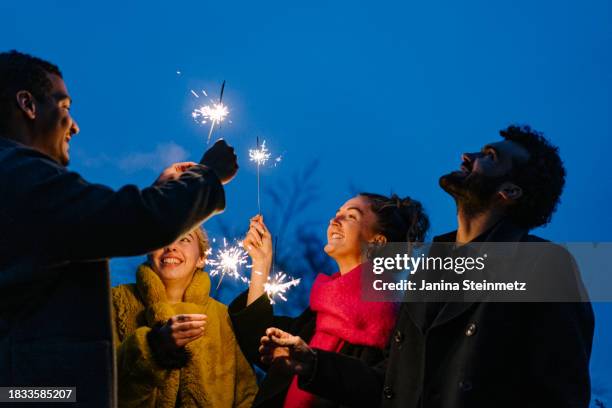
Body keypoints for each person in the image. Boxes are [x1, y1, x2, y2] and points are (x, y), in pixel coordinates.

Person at [260, 125, 595, 408]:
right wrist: (313, 363)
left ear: (509, 191)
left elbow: (560, 395)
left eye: (489, 157)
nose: (468, 156)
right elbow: (391, 385)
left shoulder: (543, 266)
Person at [0, 50, 238, 407]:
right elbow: (129, 222)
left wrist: (160, 194)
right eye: (64, 107)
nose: (75, 125)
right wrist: (206, 178)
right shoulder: (18, 177)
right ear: (28, 105)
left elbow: (103, 222)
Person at [229, 193, 429, 407]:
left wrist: (315, 365)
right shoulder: (319, 314)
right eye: (337, 213)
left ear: (377, 241)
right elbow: (256, 338)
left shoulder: (399, 320)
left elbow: (388, 389)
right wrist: (261, 262)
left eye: (351, 216)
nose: (334, 220)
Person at [112, 226, 258, 407]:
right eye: (164, 238)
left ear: (202, 258)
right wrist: (153, 348)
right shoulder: (115, 302)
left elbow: (247, 396)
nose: (171, 246)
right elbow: (91, 386)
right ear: (150, 251)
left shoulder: (224, 318)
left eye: (184, 239)